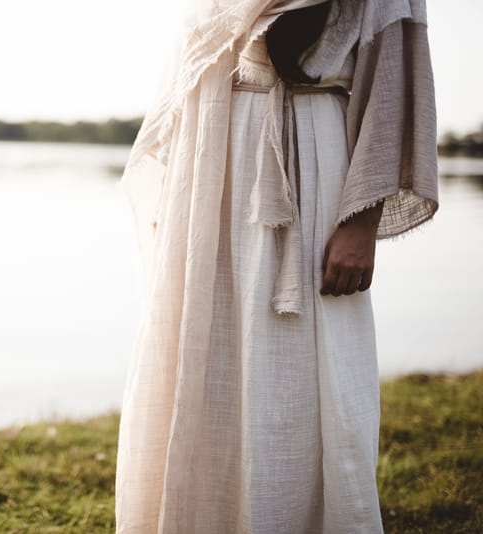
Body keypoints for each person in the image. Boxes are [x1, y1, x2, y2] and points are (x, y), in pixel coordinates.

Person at [116, 0, 438, 532]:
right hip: (208, 161)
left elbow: (392, 81)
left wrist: (361, 223)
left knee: (296, 361)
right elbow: (193, 60)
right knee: (204, 351)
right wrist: (175, 190)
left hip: (307, 163)